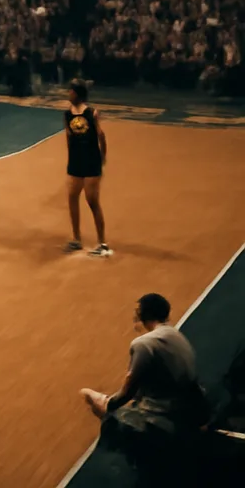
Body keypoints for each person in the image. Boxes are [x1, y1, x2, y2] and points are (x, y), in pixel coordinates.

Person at [81, 293, 211, 484]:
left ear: (143, 315)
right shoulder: (175, 334)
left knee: (92, 398)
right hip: (197, 405)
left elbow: (127, 392)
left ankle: (139, 451)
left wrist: (108, 405)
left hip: (169, 415)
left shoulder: (142, 343)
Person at [63, 78, 112, 256]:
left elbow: (101, 136)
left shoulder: (92, 113)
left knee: (92, 201)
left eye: (71, 91)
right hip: (76, 163)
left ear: (78, 94)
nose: (69, 94)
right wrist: (71, 159)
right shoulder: (67, 114)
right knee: (72, 197)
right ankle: (76, 238)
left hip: (92, 161)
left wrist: (102, 158)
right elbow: (69, 136)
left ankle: (102, 243)